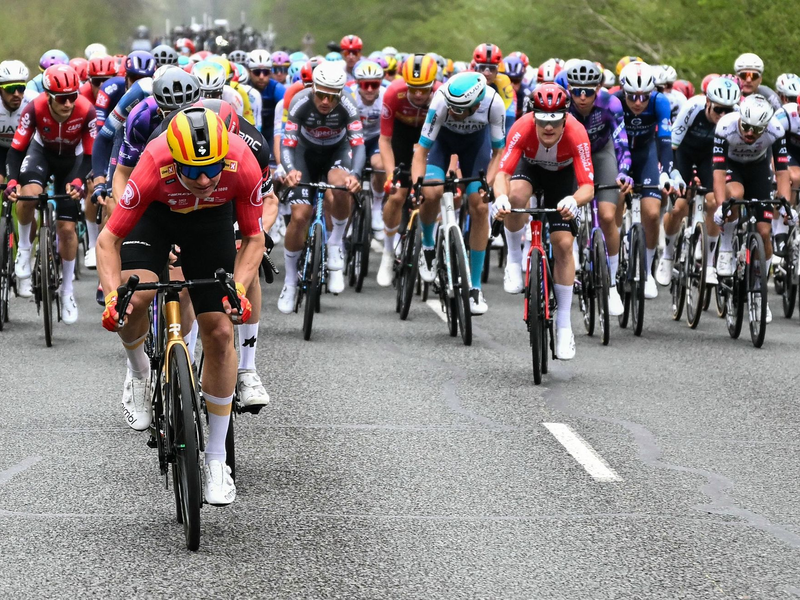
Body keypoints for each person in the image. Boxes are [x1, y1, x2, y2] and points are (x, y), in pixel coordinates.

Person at [96, 107, 265, 505]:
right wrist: (110, 298)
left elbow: (254, 239)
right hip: (155, 217)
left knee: (221, 331)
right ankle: (138, 374)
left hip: (210, 224)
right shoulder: (154, 161)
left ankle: (217, 459)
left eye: (212, 169)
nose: (205, 180)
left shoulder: (242, 162)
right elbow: (107, 242)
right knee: (138, 297)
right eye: (193, 170)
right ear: (175, 158)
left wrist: (237, 289)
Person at [493, 82, 594, 360]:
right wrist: (500, 198)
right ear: (533, 117)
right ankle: (514, 259)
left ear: (565, 119)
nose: (548, 128)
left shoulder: (577, 132)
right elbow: (502, 174)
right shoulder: (522, 128)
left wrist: (574, 200)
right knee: (515, 196)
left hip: (563, 179)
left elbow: (588, 186)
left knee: (562, 244)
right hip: (531, 170)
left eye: (555, 122)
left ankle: (564, 325)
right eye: (542, 122)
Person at [4, 65, 96, 320]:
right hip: (41, 154)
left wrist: (79, 180)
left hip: (73, 161)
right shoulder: (34, 108)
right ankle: (24, 249)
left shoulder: (86, 110)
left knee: (67, 230)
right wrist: (12, 181)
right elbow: (16, 150)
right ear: (47, 96)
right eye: (61, 98)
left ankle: (67, 290)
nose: (68, 103)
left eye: (72, 96)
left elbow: (91, 154)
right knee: (28, 194)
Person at [409, 71, 506, 313]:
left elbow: (498, 155)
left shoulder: (494, 103)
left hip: (476, 146)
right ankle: (429, 246)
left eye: (459, 109)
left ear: (475, 105)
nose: (452, 112)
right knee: (431, 193)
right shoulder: (441, 100)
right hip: (442, 144)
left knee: (480, 205)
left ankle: (474, 288)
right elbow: (421, 151)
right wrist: (417, 186)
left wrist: (488, 184)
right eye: (450, 107)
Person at [278, 62, 364, 311]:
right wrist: (290, 169)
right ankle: (291, 281)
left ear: (340, 94)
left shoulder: (348, 105)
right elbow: (287, 143)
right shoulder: (299, 102)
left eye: (332, 96)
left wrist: (356, 174)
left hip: (337, 153)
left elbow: (358, 145)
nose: (325, 101)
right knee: (300, 216)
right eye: (321, 94)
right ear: (313, 88)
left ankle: (336, 242)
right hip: (304, 155)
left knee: (340, 186)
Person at [712, 94, 790, 324]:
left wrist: (785, 205)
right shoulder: (725, 126)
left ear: (765, 126)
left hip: (758, 171)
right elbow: (717, 171)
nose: (749, 133)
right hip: (732, 168)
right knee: (734, 196)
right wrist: (720, 207)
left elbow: (782, 171)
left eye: (756, 130)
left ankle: (759, 293)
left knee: (765, 233)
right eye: (745, 127)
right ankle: (726, 247)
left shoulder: (776, 130)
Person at [658, 77, 740, 287]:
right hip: (684, 152)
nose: (723, 116)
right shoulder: (692, 107)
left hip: (710, 157)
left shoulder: (736, 116)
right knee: (678, 207)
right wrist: (672, 172)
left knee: (714, 202)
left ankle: (710, 262)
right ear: (708, 103)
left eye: (727, 111)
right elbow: (672, 145)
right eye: (718, 110)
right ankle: (666, 256)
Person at [565, 60, 632, 316]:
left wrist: (624, 170)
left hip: (601, 153)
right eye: (576, 91)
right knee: (567, 209)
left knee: (606, 216)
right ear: (568, 89)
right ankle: (570, 254)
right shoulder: (564, 105)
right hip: (571, 157)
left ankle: (612, 284)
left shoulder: (610, 104)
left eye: (589, 92)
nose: (582, 98)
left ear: (599, 89)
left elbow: (621, 143)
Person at [0, 60, 38, 181]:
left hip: (26, 150)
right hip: (1, 148)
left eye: (21, 88)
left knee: (30, 192)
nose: (16, 94)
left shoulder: (34, 101)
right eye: (10, 89)